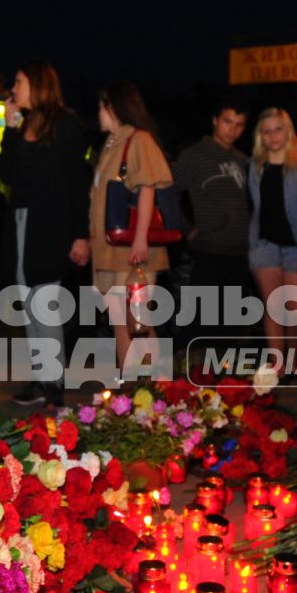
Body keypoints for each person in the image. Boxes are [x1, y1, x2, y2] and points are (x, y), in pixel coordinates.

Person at [0, 60, 88, 407]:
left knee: (45, 306)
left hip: (51, 228)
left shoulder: (65, 125)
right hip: (21, 225)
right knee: (28, 305)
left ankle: (54, 386)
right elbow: (8, 175)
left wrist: (81, 235)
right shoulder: (23, 127)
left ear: (37, 85)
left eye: (18, 82)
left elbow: (77, 183)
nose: (13, 89)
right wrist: (8, 126)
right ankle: (40, 378)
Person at [88, 81, 173, 378]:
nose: (97, 113)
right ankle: (131, 389)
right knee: (120, 323)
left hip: (132, 251)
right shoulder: (111, 145)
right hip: (110, 251)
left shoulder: (139, 139)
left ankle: (158, 392)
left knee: (140, 322)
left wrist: (140, 241)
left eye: (100, 106)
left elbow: (147, 187)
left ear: (112, 107)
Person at [246, 106, 297, 375]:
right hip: (263, 246)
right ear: (260, 136)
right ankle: (277, 365)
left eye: (278, 129)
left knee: (296, 311)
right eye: (266, 132)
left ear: (288, 131)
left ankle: (293, 361)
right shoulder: (254, 168)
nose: (273, 136)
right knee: (273, 307)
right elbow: (252, 208)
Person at [172, 98, 251, 346]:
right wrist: (185, 227)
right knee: (202, 321)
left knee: (230, 324)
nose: (233, 129)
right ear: (215, 120)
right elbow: (168, 191)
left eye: (239, 124)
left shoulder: (242, 159)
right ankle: (188, 376)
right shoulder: (195, 155)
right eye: (228, 122)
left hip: (240, 252)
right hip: (209, 248)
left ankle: (223, 380)